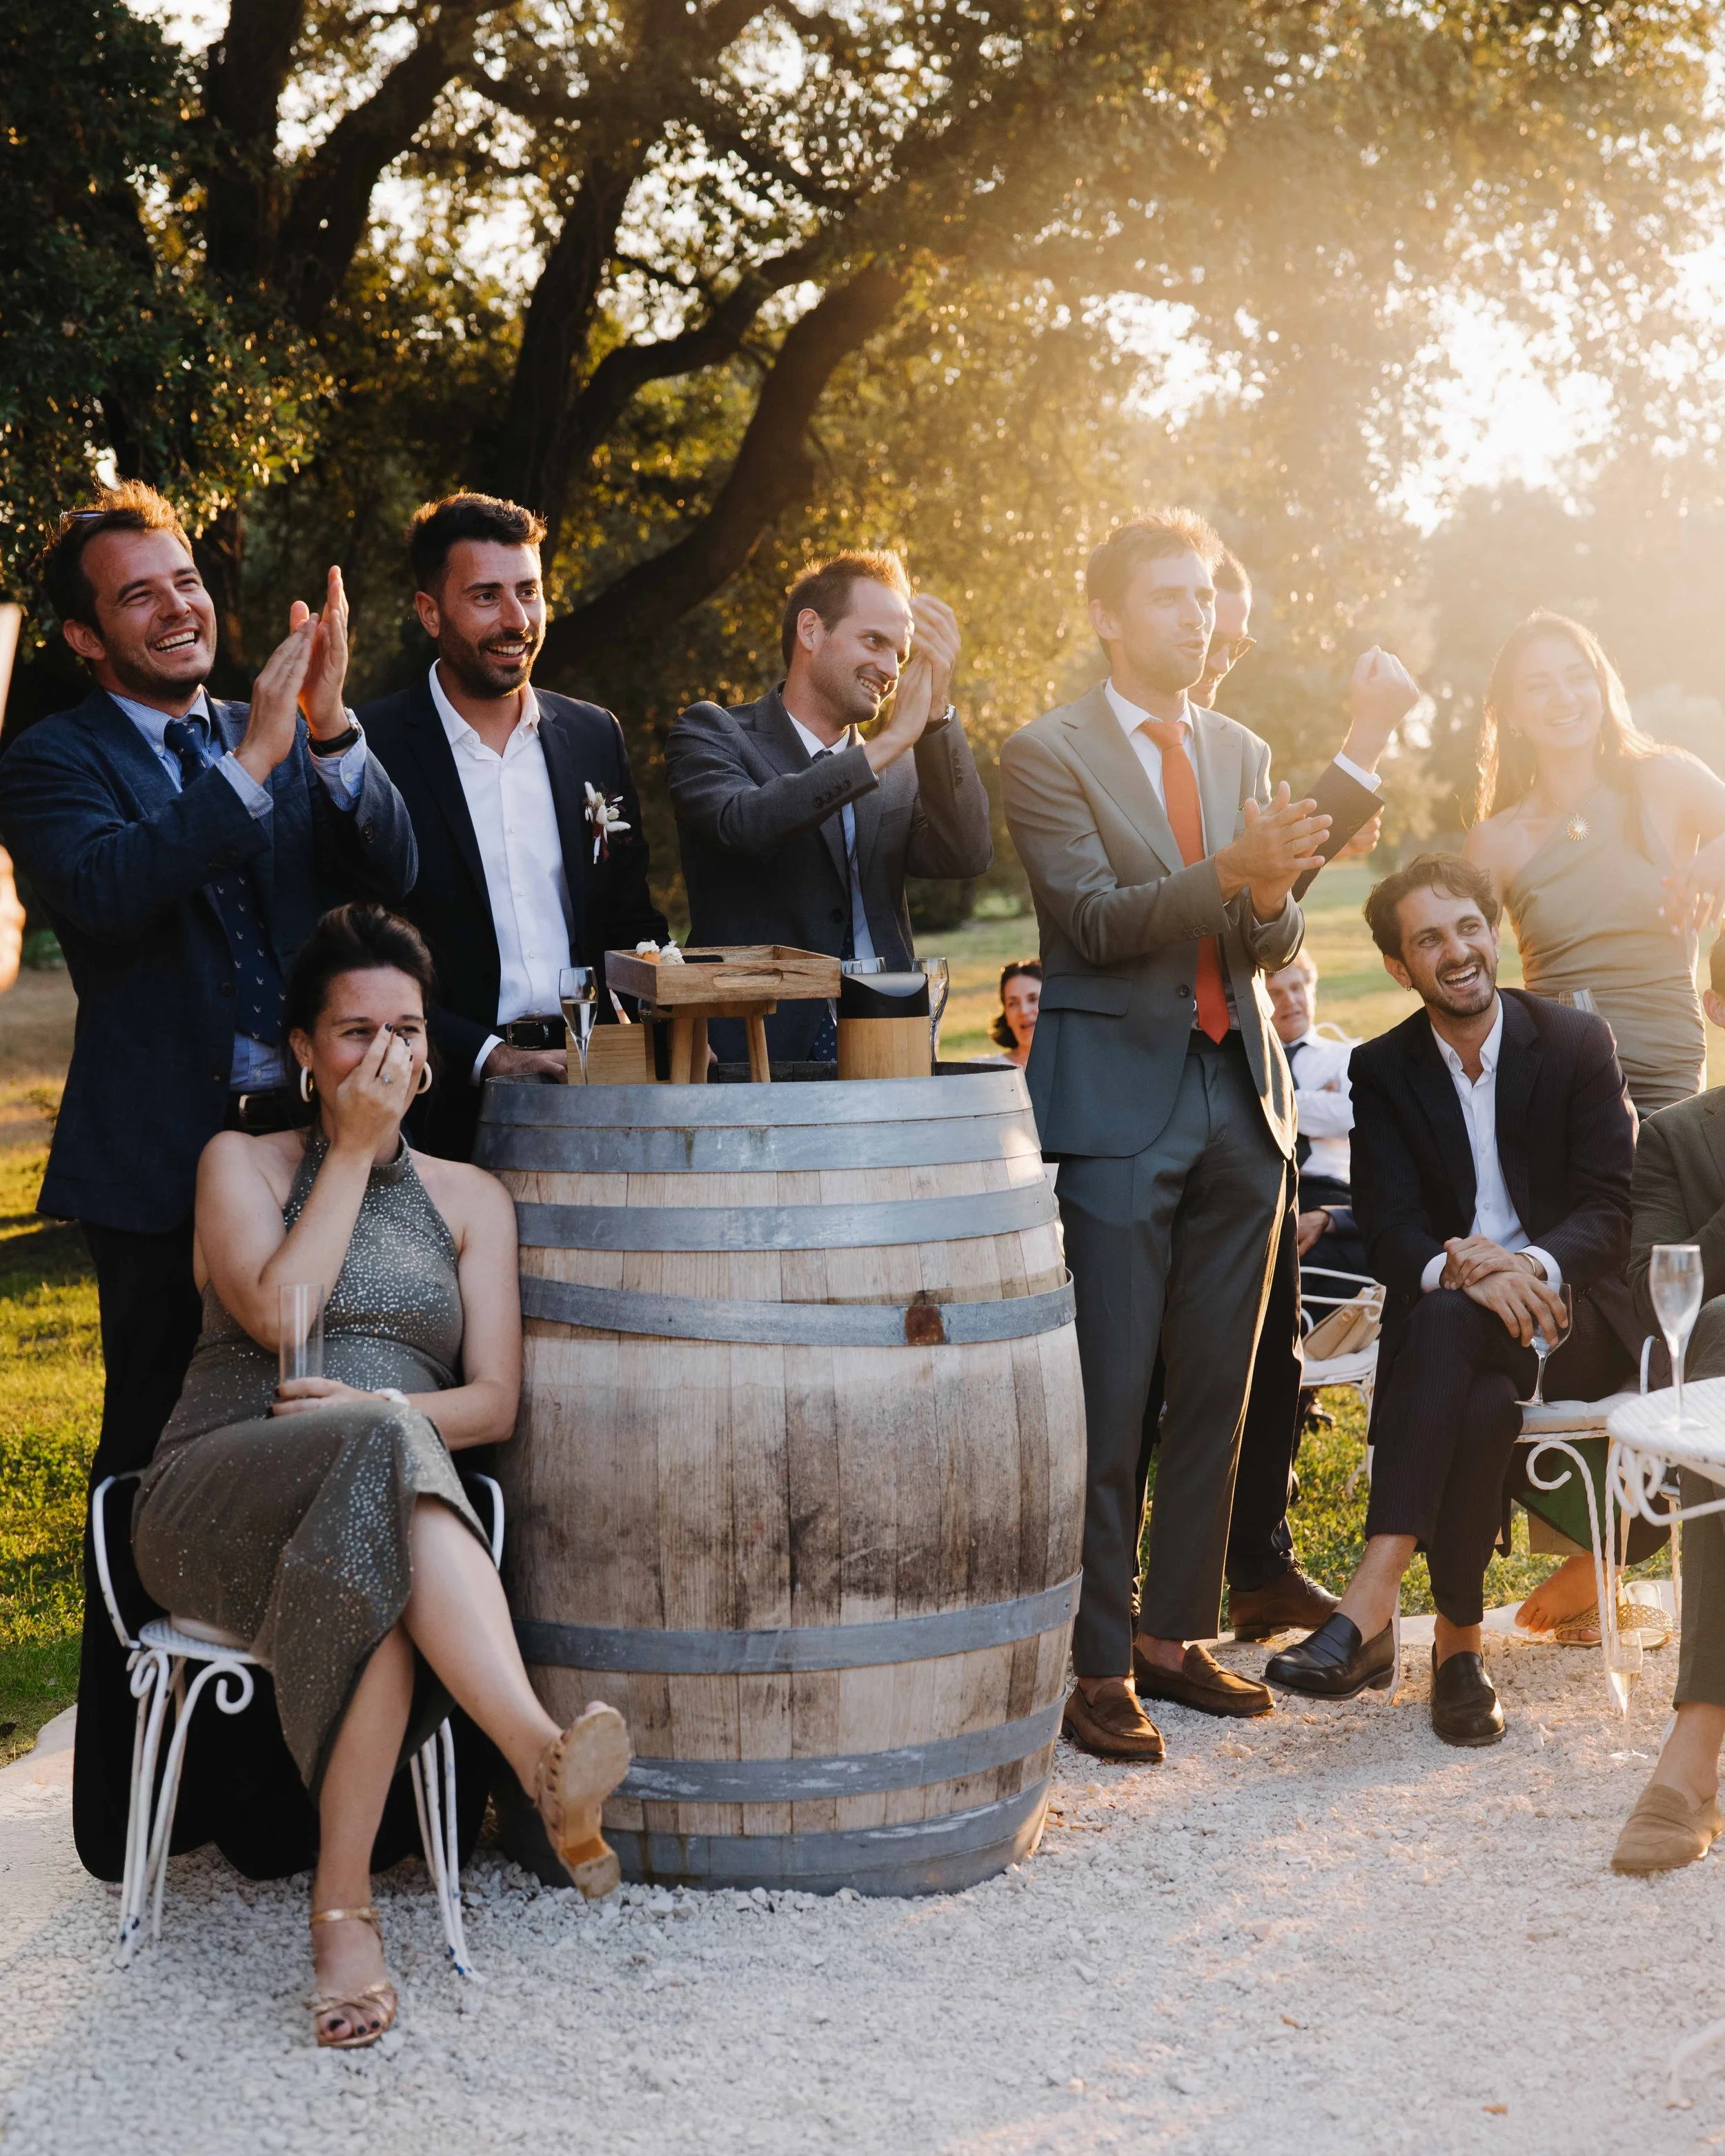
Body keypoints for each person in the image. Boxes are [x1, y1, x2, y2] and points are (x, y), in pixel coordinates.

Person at [0, 482, 418, 1880]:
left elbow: (394, 867)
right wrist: (247, 757)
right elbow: (111, 891)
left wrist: (334, 726)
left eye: (185, 581)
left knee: (303, 1439)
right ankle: (134, 1812)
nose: (178, 606)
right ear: (82, 635)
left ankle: (273, 1800)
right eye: (139, 594)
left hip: (307, 1157)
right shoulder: (52, 759)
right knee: (148, 1469)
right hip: (152, 1174)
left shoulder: (293, 732)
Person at [132, 904, 633, 2044]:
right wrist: (352, 1151)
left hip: (373, 1495)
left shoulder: (472, 1200)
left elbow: (494, 1402)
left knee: (379, 1492)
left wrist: (382, 1408)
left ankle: (344, 1914)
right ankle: (534, 1752)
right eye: (355, 1032)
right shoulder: (240, 1162)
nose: (388, 1055)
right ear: (302, 1050)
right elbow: (269, 1316)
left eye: (407, 1028)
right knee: (380, 1449)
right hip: (219, 1483)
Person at [1000, 505, 1342, 1762]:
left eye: (1205, 598)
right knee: (1111, 1389)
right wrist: (1233, 873)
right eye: (1168, 598)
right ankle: (1095, 1661)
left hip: (1241, 1099)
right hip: (1117, 1103)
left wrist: (1268, 895)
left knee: (1218, 1388)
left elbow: (1270, 940)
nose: (1197, 619)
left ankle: (1171, 1638)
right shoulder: (1045, 752)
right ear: (1105, 615)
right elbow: (1087, 920)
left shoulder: (1245, 746)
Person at [1266, 855, 1638, 1745]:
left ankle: (1370, 1607)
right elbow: (1391, 1228)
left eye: (1469, 926)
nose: (1457, 950)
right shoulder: (1384, 1069)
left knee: (1444, 1327)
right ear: (1401, 967)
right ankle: (1457, 1657)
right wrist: (1469, 1271)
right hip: (1457, 1326)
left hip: (1572, 1317)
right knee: (1467, 1384)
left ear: (1495, 931)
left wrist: (1527, 1267)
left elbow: (1609, 1208)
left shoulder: (1578, 1043)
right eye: (1428, 938)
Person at [1138, 549, 1416, 1647]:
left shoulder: (1229, 757)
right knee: (1157, 1356)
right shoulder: (1129, 761)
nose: (1222, 648)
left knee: (1267, 1349)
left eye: (1236, 633)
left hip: (1255, 1090)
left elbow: (1273, 892)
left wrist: (1331, 802)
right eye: (1213, 622)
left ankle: (1254, 1562)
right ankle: (1138, 1587)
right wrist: (1363, 746)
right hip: (1149, 1084)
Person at [1461, 610, 1725, 1632]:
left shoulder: (1661, 782)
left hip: (1667, 1088)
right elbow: (1465, 971)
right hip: (1566, 1096)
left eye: (1578, 675)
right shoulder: (1500, 840)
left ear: (1602, 680)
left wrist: (1713, 861)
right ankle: (1597, 1548)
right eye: (1540, 685)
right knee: (1585, 1286)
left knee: (1667, 1290)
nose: (1565, 697)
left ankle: (1624, 1542)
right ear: (1511, 713)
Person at [359, 493, 667, 1158]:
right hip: (435, 1099)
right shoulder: (370, 747)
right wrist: (489, 1055)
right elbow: (357, 944)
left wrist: (669, 1031)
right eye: (486, 596)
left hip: (588, 1084)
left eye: (529, 591)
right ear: (429, 612)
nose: (516, 619)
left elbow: (629, 916)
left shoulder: (592, 735)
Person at [665, 551, 992, 1063]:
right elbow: (746, 824)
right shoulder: (713, 733)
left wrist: (935, 718)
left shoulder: (902, 768)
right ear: (812, 632)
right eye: (874, 642)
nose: (889, 669)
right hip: (752, 1057)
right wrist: (882, 748)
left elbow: (966, 854)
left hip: (890, 1051)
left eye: (901, 657)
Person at [1612, 940, 1725, 1871]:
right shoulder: (1678, 1138)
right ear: (1716, 1006)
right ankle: (1697, 1741)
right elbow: (1660, 1297)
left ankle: (1695, 1750)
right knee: (1721, 1332)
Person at [1267, 950, 1368, 1280]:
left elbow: (1353, 1116)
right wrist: (1315, 1103)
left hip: (1328, 1192)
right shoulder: (1240, 1067)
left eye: (1298, 988)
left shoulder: (1347, 1056)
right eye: (1275, 993)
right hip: (1261, 1195)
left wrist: (1266, 1101)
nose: (1290, 1001)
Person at [987, 960, 1041, 1068]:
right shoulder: (984, 1071)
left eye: (1033, 999)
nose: (1024, 1011)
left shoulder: (1081, 1066)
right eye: (1013, 1004)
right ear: (1006, 1015)